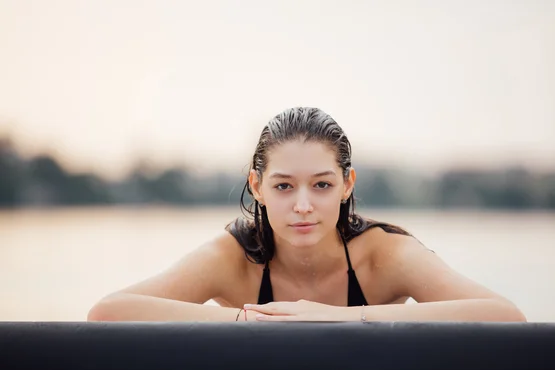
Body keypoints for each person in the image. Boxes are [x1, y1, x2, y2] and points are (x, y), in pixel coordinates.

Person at [87, 107, 526, 323]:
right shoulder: (233, 256)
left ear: (347, 184)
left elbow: (505, 315)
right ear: (257, 187)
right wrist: (250, 320)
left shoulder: (385, 254)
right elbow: (108, 312)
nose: (302, 205)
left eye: (321, 185)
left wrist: (337, 317)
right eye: (283, 186)